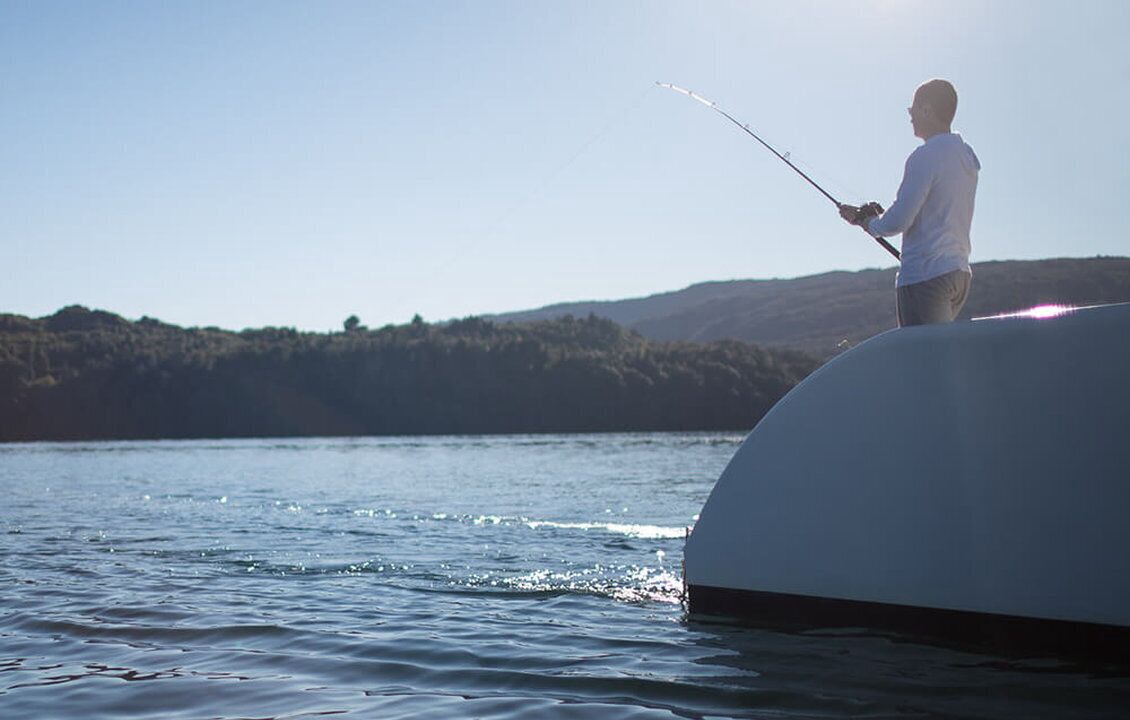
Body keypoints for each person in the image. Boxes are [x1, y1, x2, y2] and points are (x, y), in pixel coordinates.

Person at [840, 79, 980, 327]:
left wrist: (868, 222)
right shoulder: (966, 156)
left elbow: (897, 222)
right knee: (939, 355)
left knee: (925, 361)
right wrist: (880, 216)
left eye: (912, 109)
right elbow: (937, 210)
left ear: (926, 110)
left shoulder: (924, 156)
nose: (910, 116)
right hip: (958, 274)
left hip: (925, 278)